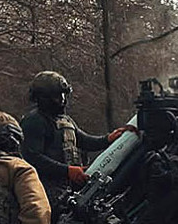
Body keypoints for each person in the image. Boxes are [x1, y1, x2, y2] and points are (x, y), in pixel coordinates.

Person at [19, 71, 133, 206]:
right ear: (43, 97)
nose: (62, 100)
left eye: (63, 95)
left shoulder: (66, 120)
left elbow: (84, 141)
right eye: (57, 96)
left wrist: (109, 139)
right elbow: (33, 158)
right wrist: (67, 170)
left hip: (69, 187)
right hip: (44, 189)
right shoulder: (34, 121)